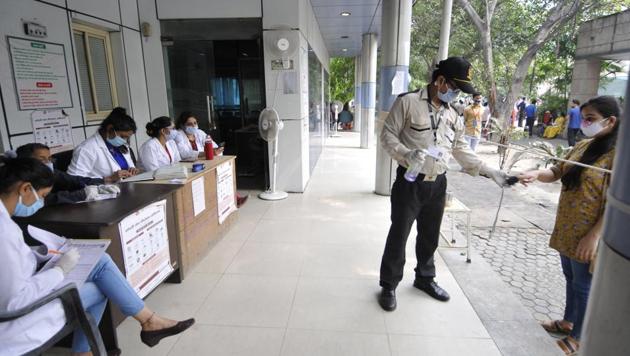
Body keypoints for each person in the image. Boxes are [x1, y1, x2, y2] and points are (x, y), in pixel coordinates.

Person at [0, 157, 194, 356]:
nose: (41, 203)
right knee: (102, 287)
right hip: (15, 321)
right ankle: (140, 326)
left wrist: (38, 254)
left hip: (23, 294)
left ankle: (148, 322)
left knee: (99, 262)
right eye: (41, 196)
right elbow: (14, 302)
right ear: (25, 189)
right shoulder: (4, 232)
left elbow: (10, 265)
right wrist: (59, 271)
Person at [378, 57, 510, 311]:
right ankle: (389, 285)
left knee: (429, 237)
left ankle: (425, 279)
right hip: (410, 182)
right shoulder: (408, 102)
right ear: (440, 81)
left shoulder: (453, 113)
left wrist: (488, 170)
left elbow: (460, 148)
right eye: (455, 88)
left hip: (437, 184)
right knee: (399, 234)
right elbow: (388, 135)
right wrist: (406, 154)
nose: (457, 94)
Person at [517, 96, 620, 355]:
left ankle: (578, 338)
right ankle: (567, 322)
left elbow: (613, 204)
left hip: (589, 233)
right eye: (583, 118)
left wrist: (594, 237)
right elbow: (556, 172)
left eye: (591, 119)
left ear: (611, 121)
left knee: (584, 286)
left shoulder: (617, 156)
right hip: (567, 227)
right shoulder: (583, 145)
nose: (585, 123)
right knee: (571, 278)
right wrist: (535, 174)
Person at [14, 143, 119, 205]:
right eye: (42, 160)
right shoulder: (18, 179)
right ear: (26, 161)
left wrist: (103, 182)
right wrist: (83, 194)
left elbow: (73, 180)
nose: (48, 163)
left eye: (49, 159)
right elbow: (47, 199)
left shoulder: (51, 172)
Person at [68, 107, 140, 181]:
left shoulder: (120, 145)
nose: (124, 141)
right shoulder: (86, 149)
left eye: (127, 138)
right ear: (110, 129)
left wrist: (133, 171)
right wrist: (109, 179)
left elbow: (128, 167)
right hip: (103, 191)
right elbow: (72, 181)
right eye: (122, 136)